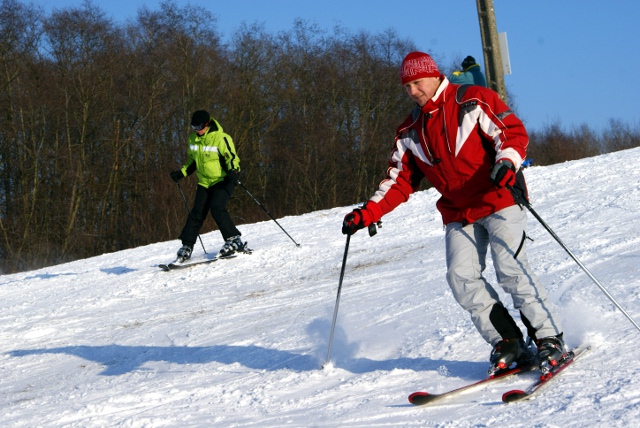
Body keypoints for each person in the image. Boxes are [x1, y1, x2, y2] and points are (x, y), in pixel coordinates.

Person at [342, 51, 566, 375]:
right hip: (459, 212)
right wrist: (368, 212)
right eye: (407, 87)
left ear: (433, 76)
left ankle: (549, 339)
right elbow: (399, 181)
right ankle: (509, 342)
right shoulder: (409, 131)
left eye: (417, 83)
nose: (413, 91)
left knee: (510, 269)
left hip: (498, 197)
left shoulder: (471, 100)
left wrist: (507, 161)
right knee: (461, 277)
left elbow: (511, 133)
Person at [170, 110, 248, 261]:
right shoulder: (193, 139)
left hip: (223, 179)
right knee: (196, 213)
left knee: (217, 207)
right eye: (193, 127)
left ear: (207, 123)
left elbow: (231, 157)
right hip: (204, 182)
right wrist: (181, 173)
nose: (196, 130)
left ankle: (234, 240)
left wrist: (233, 170)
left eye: (199, 126)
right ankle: (187, 246)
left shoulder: (221, 138)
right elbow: (192, 161)